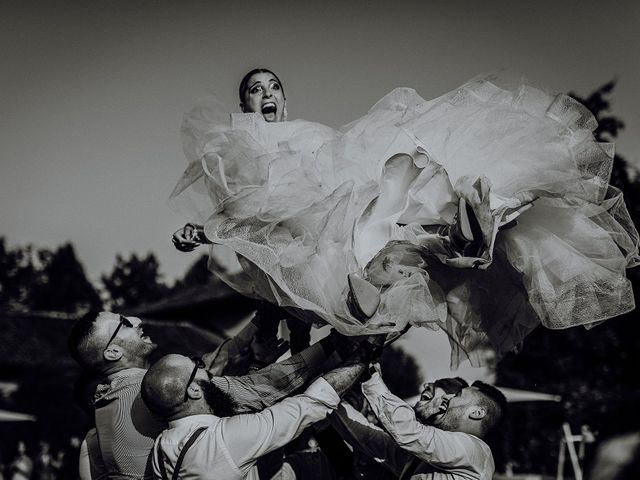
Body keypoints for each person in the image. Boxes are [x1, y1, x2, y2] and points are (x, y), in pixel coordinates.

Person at [171, 68, 639, 366]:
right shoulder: (235, 148)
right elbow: (241, 206)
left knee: (399, 209)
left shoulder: (304, 132)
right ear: (246, 103)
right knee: (332, 296)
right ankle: (463, 235)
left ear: (285, 101)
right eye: (256, 89)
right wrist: (204, 230)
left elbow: (336, 163)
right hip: (299, 248)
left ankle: (474, 220)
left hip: (334, 223)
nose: (267, 94)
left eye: (274, 87)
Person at [67, 310, 346, 479]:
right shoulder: (146, 392)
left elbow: (204, 366)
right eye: (124, 324)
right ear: (113, 352)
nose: (136, 320)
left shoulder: (103, 413)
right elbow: (256, 389)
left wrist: (260, 321)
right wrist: (335, 342)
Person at [140, 341, 378, 480]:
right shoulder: (225, 440)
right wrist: (368, 348)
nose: (206, 369)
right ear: (193, 390)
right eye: (198, 365)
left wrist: (260, 364)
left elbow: (248, 402)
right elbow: (311, 403)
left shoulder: (161, 447)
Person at [331, 369, 505, 479]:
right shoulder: (423, 457)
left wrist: (370, 375)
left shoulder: (477, 451)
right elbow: (369, 438)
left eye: (457, 395)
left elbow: (410, 431)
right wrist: (329, 395)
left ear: (477, 413)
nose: (447, 397)